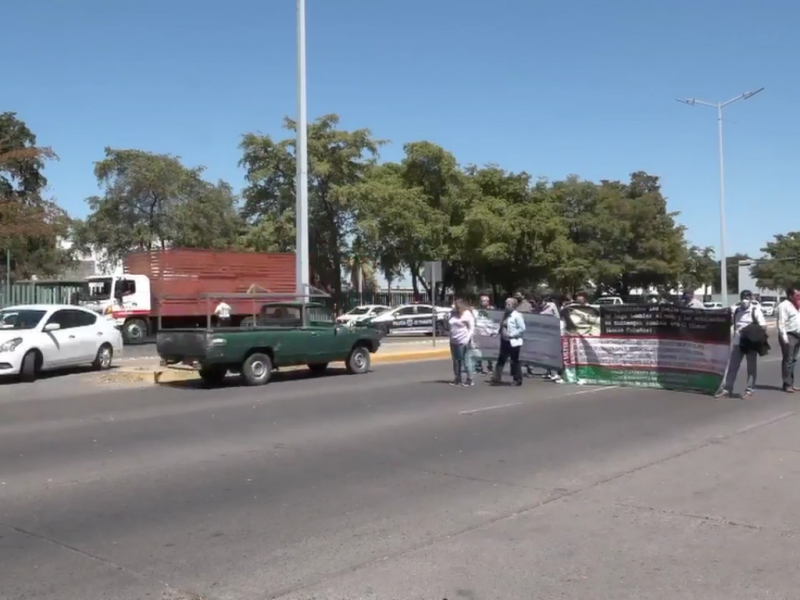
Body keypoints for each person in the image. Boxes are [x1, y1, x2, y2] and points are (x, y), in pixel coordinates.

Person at [716, 290, 767, 398]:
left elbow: (763, 326)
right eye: (743, 298)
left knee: (751, 367)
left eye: (747, 298)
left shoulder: (755, 310)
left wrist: (751, 332)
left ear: (750, 299)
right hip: (738, 341)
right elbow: (727, 319)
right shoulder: (736, 310)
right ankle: (727, 389)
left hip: (750, 342)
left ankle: (749, 390)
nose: (745, 300)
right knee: (732, 366)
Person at [492, 297, 526, 386]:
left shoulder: (517, 316)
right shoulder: (505, 315)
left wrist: (512, 335)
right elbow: (501, 326)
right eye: (506, 304)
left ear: (514, 306)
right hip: (504, 340)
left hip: (514, 341)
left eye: (509, 304)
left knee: (514, 361)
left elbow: (522, 328)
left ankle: (517, 379)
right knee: (501, 359)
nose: (506, 306)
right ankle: (496, 377)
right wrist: (496, 332)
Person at [777, 286, 800, 393]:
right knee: (788, 360)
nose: (798, 297)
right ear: (790, 296)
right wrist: (784, 338)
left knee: (794, 360)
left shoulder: (797, 305)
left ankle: (791, 383)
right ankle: (787, 384)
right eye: (797, 295)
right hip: (789, 335)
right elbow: (781, 323)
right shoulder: (784, 306)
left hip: (798, 335)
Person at [448, 299, 475, 387]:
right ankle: (457, 378)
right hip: (453, 340)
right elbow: (449, 324)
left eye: (455, 305)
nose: (453, 306)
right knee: (456, 361)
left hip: (463, 341)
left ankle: (469, 379)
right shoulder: (452, 313)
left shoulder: (467, 314)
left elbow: (471, 328)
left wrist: (467, 339)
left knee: (465, 360)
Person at [473, 295, 495, 375]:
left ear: (488, 302)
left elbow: (495, 321)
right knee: (477, 351)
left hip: (489, 334)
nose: (484, 302)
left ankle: (490, 368)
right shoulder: (476, 311)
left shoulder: (492, 310)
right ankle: (478, 368)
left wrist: (494, 331)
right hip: (479, 334)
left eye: (485, 300)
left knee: (489, 352)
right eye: (482, 300)